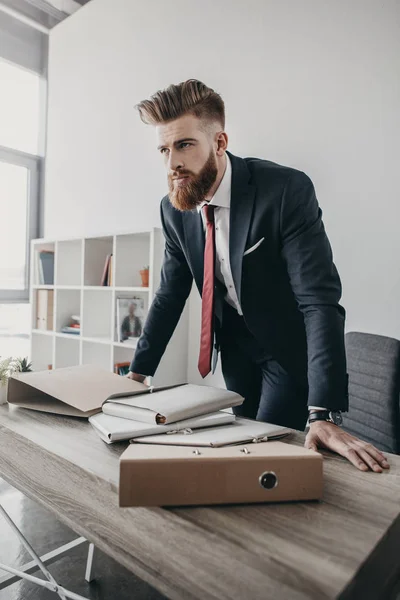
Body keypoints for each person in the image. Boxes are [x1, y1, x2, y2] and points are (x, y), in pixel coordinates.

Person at [127, 79, 389, 473]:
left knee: (263, 456)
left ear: (219, 142)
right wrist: (136, 374)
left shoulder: (284, 191)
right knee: (235, 443)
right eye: (164, 149)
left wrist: (323, 412)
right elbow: (170, 294)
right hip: (233, 346)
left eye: (184, 145)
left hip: (286, 348)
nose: (172, 164)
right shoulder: (173, 210)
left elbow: (319, 301)